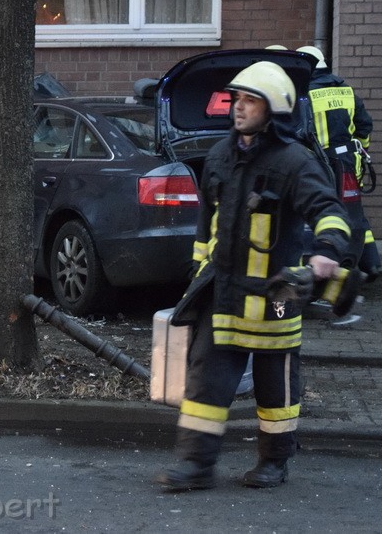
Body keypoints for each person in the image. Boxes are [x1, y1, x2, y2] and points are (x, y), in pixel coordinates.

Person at [156, 61, 350, 490]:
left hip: (275, 296)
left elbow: (330, 212)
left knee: (275, 386)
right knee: (206, 384)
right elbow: (206, 223)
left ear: (273, 108)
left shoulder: (295, 162)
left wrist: (326, 253)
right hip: (223, 295)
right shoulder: (220, 155)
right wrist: (199, 268)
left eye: (249, 100)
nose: (237, 108)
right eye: (236, 99)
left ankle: (274, 461)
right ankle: (195, 465)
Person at [296, 45, 381, 280]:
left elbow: (301, 131)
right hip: (348, 162)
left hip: (319, 163)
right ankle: (370, 264)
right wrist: (362, 149)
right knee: (353, 213)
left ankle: (332, 267)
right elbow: (364, 126)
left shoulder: (306, 94)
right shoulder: (346, 89)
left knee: (325, 214)